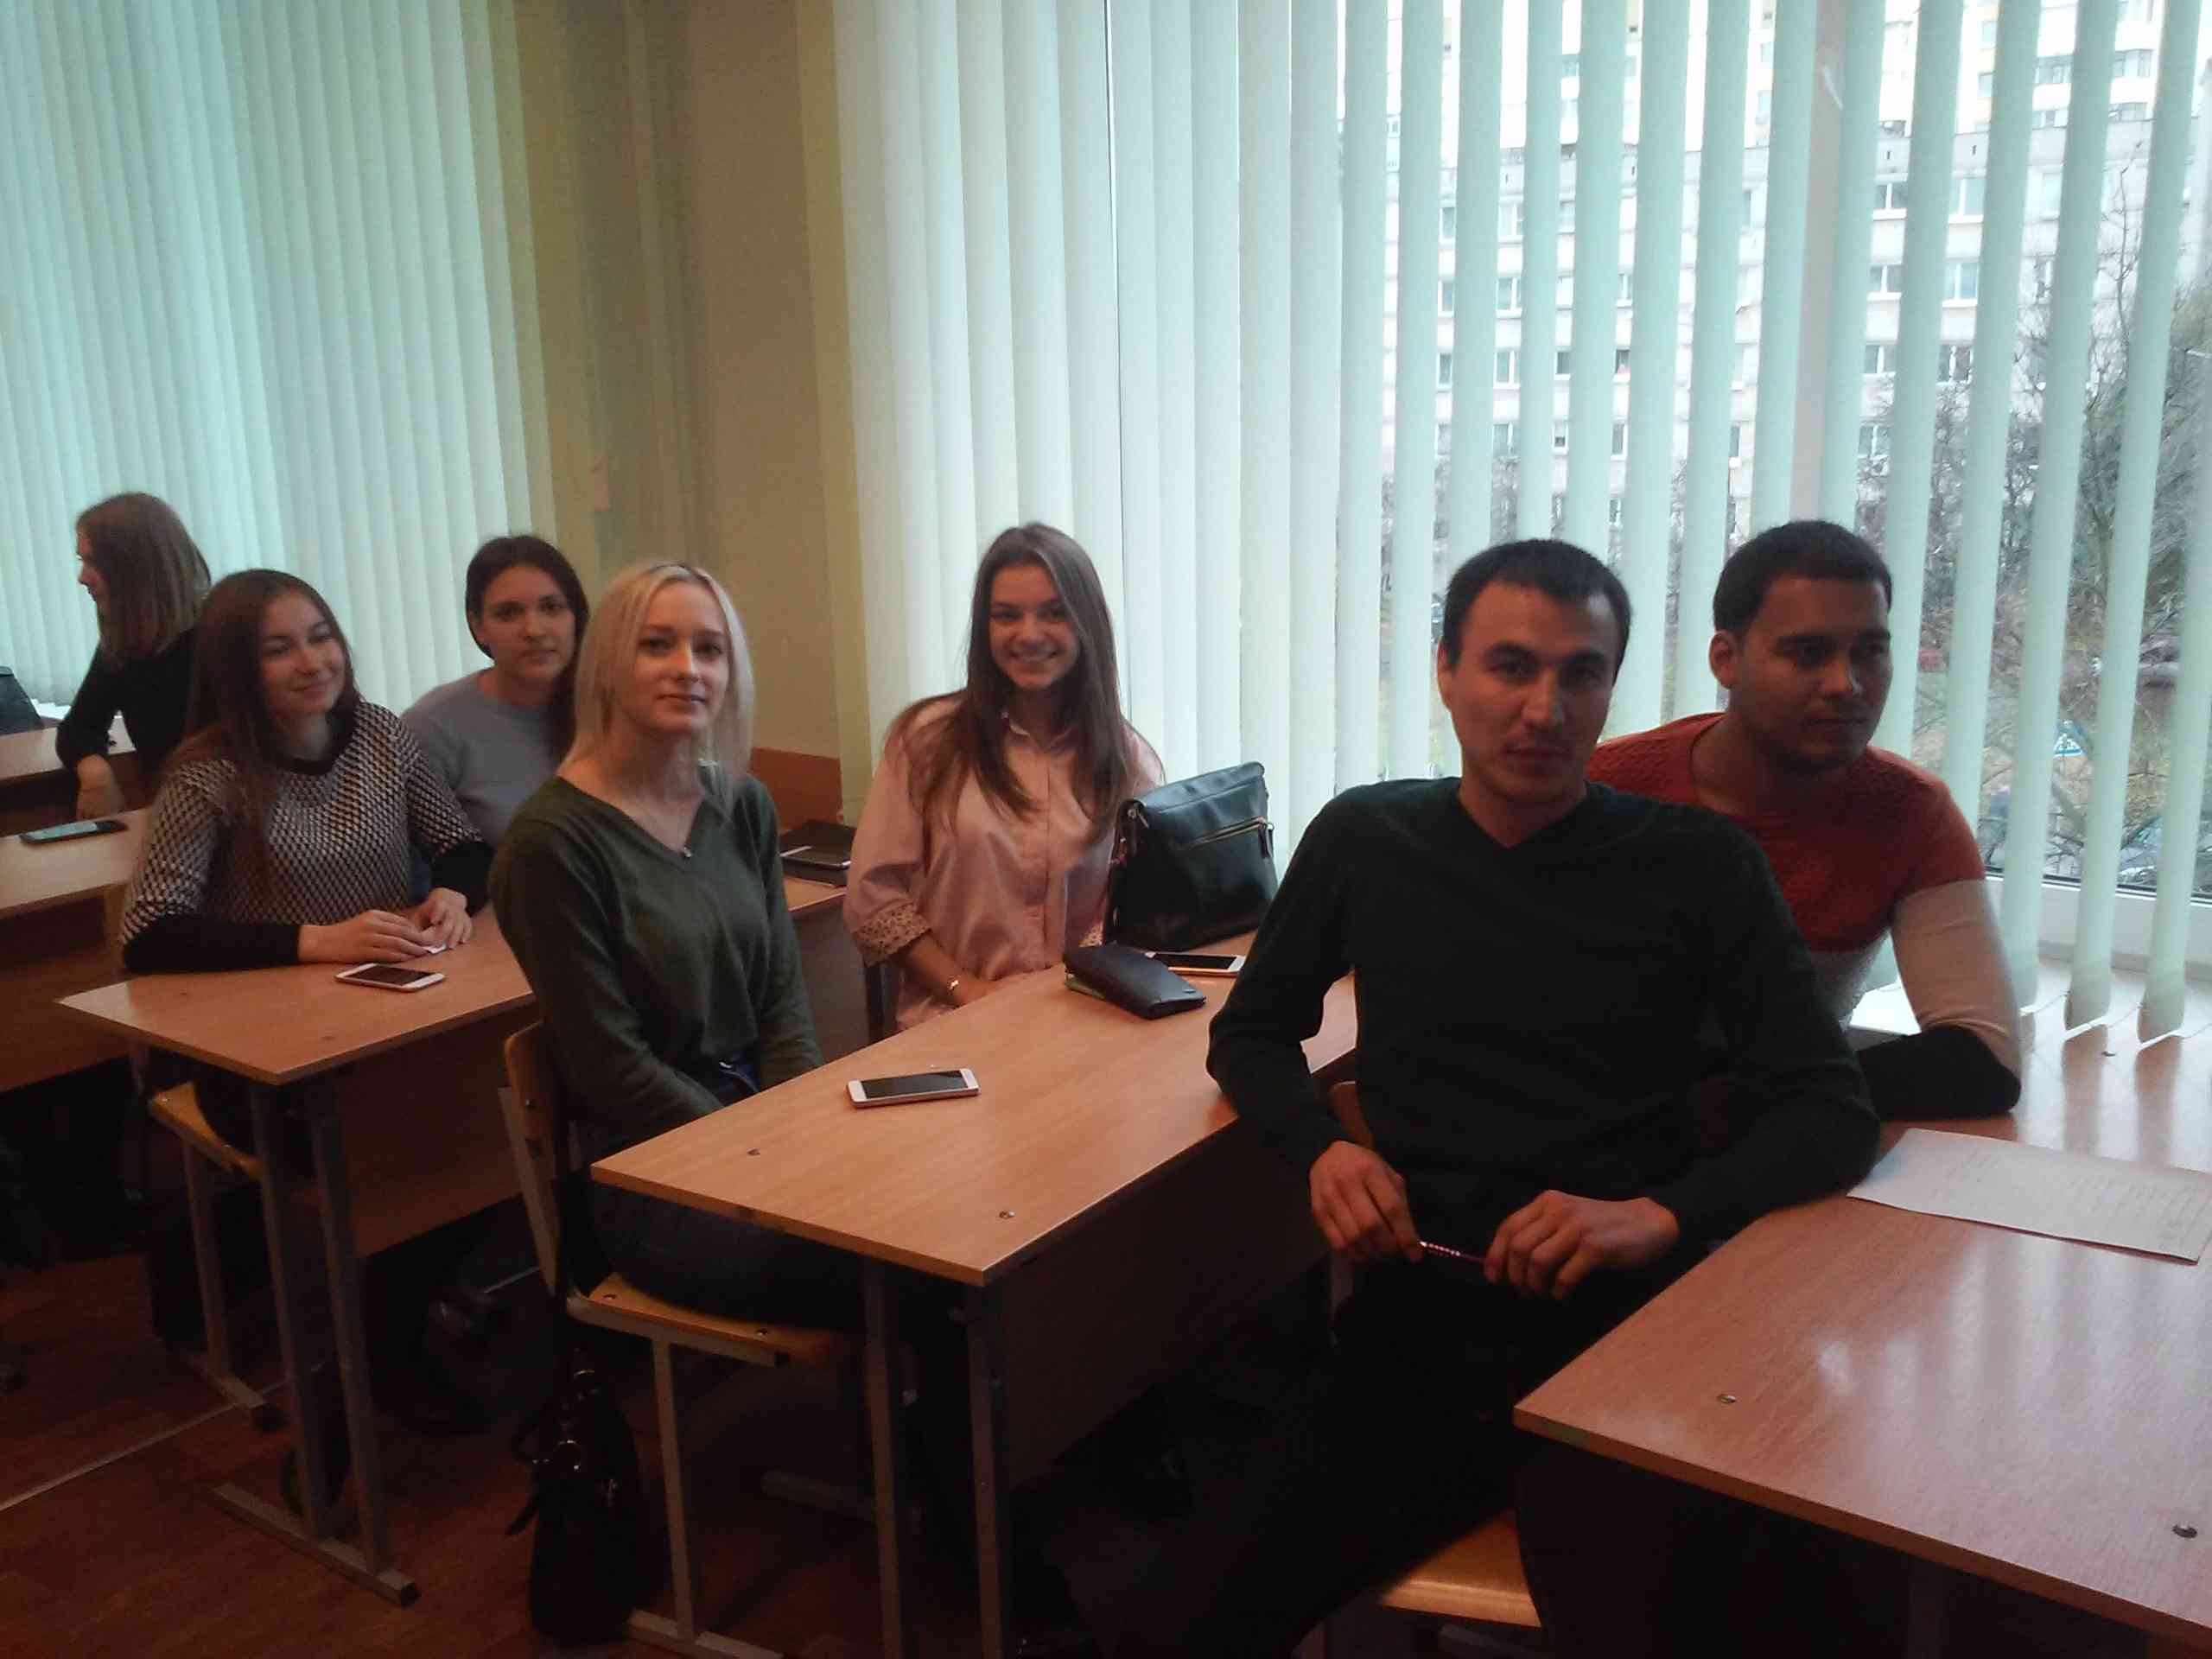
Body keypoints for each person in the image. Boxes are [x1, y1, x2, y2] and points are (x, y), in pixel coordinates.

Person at [1099, 540, 1880, 1659]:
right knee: (1181, 1620)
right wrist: (1321, 1149)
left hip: (1632, 1330)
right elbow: (1251, 1035)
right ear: (1445, 671)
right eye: (1510, 667)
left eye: (1580, 673)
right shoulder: (1368, 838)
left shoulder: (1700, 865)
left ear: (1611, 685)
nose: (1544, 710)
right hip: (1425, 1321)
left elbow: (1829, 1110)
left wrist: (1662, 1214)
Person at [118, 567, 493, 1505]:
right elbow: (150, 934)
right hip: (259, 1063)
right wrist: (313, 941)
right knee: (405, 1155)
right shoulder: (207, 773)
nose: (311, 661)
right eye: (277, 649)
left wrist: (454, 890)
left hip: (388, 1025)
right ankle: (355, 1384)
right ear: (236, 670)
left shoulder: (382, 735)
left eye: (320, 636)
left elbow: (460, 844)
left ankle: (382, 1352)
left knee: (485, 1135)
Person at [1589, 519, 2021, 1121]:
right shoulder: (1602, 790)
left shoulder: (1910, 812)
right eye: (1807, 653)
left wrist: (1759, 1101)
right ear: (1725, 659)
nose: (1846, 684)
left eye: (1869, 652)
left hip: (1766, 1139)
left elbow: (1985, 1059)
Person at [491, 560, 823, 1309]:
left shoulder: (743, 805)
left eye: (709, 650)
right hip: (653, 1169)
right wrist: (760, 1152)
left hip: (765, 1127)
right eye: (656, 645)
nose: (687, 669)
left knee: (926, 1215)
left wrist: (801, 1132)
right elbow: (611, 1068)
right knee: (883, 1262)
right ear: (607, 665)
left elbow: (783, 1004)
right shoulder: (551, 844)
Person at [846, 524, 1163, 1028]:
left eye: (1054, 613)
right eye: (1007, 615)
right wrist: (967, 989)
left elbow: (1135, 911)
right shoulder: (925, 743)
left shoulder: (1129, 762)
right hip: (950, 1023)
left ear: (1086, 623)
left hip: (1083, 1021)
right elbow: (874, 903)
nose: (1029, 635)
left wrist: (1061, 988)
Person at [404, 534, 590, 844]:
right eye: (509, 613)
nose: (534, 630)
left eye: (551, 607)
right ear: (479, 627)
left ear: (575, 617)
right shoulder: (432, 728)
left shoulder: (615, 709)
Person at [56, 493, 213, 815]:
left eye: (93, 562)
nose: (82, 577)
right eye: (82, 561)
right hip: (175, 816)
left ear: (136, 565)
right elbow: (79, 729)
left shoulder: (224, 634)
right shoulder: (127, 642)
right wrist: (96, 774)